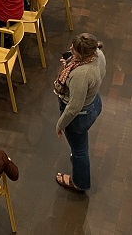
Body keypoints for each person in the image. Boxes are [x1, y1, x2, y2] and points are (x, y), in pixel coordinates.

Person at [55, 34, 106, 193]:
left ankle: (79, 182)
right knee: (79, 144)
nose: (70, 48)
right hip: (94, 104)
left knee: (80, 151)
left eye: (74, 50)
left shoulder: (80, 75)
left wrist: (60, 125)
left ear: (83, 55)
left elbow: (73, 108)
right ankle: (77, 155)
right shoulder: (99, 54)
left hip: (79, 116)